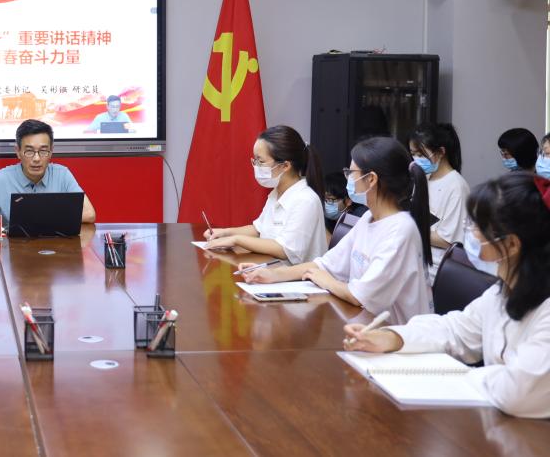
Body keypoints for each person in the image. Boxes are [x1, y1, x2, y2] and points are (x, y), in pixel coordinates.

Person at [344, 172, 550, 419]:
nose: (471, 234)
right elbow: (455, 330)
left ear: (513, 244)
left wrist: (464, 375)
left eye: (478, 227)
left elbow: (517, 392)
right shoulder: (502, 292)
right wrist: (393, 337)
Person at [242, 136, 433, 325]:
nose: (348, 179)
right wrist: (273, 275)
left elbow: (360, 296)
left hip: (397, 335)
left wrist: (326, 281)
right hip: (367, 325)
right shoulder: (368, 218)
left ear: (371, 179)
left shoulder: (400, 230)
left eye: (351, 173)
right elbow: (325, 265)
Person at [204, 125, 327, 264]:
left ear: (285, 166)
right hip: (270, 269)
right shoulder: (277, 192)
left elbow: (285, 250)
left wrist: (236, 240)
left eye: (261, 161)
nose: (256, 166)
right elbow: (259, 230)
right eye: (255, 161)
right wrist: (224, 233)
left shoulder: (305, 200)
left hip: (296, 276)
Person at [0, 119, 96, 227]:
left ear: (51, 152)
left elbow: (89, 214)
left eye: (43, 151)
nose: (36, 158)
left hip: (56, 251)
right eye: (29, 151)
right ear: (18, 152)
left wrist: (37, 218)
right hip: (13, 253)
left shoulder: (62, 174)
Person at [409, 122, 470, 282]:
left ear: (441, 152)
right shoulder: (424, 178)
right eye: (413, 154)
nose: (416, 160)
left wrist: (410, 228)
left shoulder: (456, 186)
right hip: (416, 260)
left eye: (421, 154)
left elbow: (448, 240)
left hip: (436, 269)